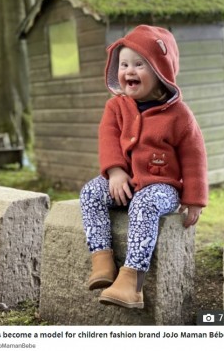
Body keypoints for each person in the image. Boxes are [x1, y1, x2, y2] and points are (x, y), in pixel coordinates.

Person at [80, 25, 208, 309]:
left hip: (162, 187)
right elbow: (108, 138)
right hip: (124, 183)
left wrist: (195, 200)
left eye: (139, 64)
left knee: (145, 204)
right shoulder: (116, 107)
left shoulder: (179, 115)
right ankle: (102, 260)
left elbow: (194, 156)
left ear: (161, 72)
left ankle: (132, 282)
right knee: (90, 192)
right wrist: (114, 170)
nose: (129, 71)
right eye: (124, 64)